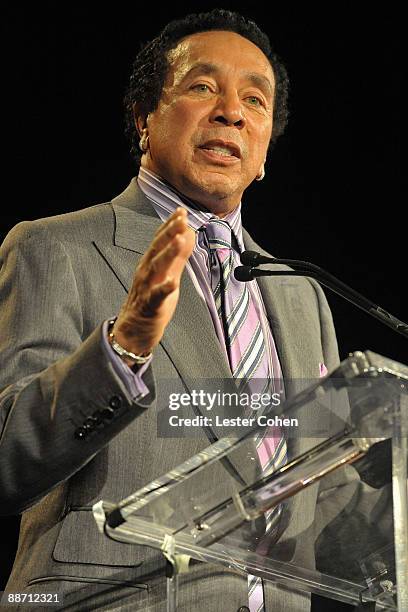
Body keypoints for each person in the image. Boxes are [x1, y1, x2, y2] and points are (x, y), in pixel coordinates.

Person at [0, 9, 366, 612]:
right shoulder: (53, 248)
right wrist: (124, 348)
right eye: (203, 87)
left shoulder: (303, 295)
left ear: (266, 149)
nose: (232, 111)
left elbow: (326, 496)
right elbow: (9, 461)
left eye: (256, 100)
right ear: (144, 119)